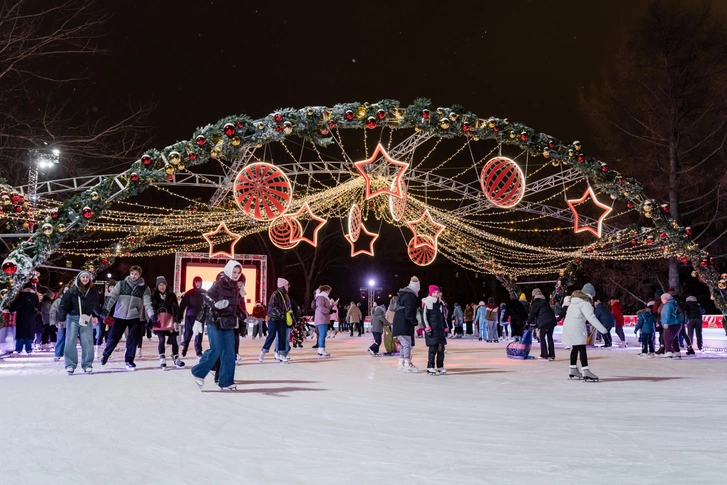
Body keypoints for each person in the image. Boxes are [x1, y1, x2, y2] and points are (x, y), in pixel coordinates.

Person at [192, 260, 244, 390]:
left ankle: (226, 381)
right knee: (216, 349)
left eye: (238, 272)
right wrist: (215, 304)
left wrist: (243, 315)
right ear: (228, 270)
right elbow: (206, 298)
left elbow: (235, 305)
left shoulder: (235, 288)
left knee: (230, 353)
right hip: (214, 321)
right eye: (234, 272)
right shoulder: (218, 284)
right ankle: (198, 372)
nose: (236, 275)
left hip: (228, 323)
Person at [100, 265, 155, 371]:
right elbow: (112, 297)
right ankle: (106, 354)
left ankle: (129, 360)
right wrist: (105, 310)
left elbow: (148, 303)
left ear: (139, 275)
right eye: (132, 273)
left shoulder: (144, 288)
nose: (133, 276)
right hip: (119, 315)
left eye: (136, 274)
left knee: (132, 339)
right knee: (113, 337)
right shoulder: (121, 284)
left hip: (134, 317)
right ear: (129, 274)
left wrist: (152, 314)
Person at [562, 283, 609, 381]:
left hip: (568, 327)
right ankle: (586, 371)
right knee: (582, 348)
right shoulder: (585, 303)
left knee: (575, 347)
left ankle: (573, 369)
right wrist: (603, 330)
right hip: (577, 327)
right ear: (590, 295)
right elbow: (591, 318)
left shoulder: (574, 302)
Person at [58, 271, 99, 374]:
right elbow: (63, 306)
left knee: (87, 341)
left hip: (86, 318)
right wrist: (61, 319)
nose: (85, 279)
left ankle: (87, 364)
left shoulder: (92, 292)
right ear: (78, 279)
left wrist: (99, 315)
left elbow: (96, 306)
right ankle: (70, 365)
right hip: (73, 318)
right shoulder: (71, 291)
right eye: (83, 277)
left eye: (87, 277)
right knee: (70, 340)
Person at [150, 276, 185, 370]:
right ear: (157, 286)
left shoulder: (171, 295)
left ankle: (176, 357)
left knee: (174, 340)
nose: (162, 286)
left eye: (163, 284)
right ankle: (162, 358)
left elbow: (176, 308)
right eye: (160, 285)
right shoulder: (154, 296)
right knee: (161, 340)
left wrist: (177, 320)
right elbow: (152, 308)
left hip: (170, 321)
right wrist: (153, 318)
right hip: (159, 322)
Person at [259, 278, 292, 363]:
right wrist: (281, 315)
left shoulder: (286, 296)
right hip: (273, 318)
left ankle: (282, 354)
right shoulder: (275, 294)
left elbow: (288, 308)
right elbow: (273, 307)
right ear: (283, 285)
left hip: (282, 319)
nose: (288, 286)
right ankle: (263, 351)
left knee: (282, 336)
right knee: (272, 335)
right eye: (286, 285)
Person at [392, 276, 421, 373]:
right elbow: (409, 312)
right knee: (407, 344)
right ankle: (407, 364)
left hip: (399, 321)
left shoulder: (404, 295)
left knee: (404, 345)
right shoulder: (410, 296)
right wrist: (415, 323)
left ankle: (401, 363)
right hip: (404, 322)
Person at [422, 285, 447, 375]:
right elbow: (424, 316)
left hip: (440, 330)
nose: (436, 294)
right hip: (432, 330)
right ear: (431, 293)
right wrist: (427, 327)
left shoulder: (440, 303)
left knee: (441, 349)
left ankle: (440, 366)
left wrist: (445, 326)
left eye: (437, 292)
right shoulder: (427, 302)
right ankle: (430, 366)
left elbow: (443, 317)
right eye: (434, 292)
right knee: (433, 349)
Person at [179, 276, 206, 358]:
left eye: (199, 283)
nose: (198, 284)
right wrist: (180, 315)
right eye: (196, 282)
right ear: (194, 283)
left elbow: (208, 305)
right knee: (188, 333)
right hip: (190, 316)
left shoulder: (205, 293)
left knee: (199, 334)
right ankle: (185, 348)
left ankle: (198, 351)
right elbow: (183, 305)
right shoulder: (189, 293)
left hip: (200, 317)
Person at [9, 282, 39, 355]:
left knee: (21, 333)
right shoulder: (35, 296)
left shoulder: (22, 296)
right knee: (29, 333)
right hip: (31, 317)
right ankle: (28, 349)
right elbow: (37, 307)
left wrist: (10, 309)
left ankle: (19, 349)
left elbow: (18, 305)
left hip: (22, 317)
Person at [527, 288, 557, 360]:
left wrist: (528, 322)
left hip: (545, 322)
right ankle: (552, 355)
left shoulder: (537, 301)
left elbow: (533, 313)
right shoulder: (544, 301)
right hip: (552, 321)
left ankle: (544, 354)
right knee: (549, 337)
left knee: (542, 337)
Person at [95, 280, 116, 359]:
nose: (112, 288)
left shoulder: (117, 296)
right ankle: (97, 350)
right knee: (101, 333)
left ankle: (107, 351)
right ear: (108, 288)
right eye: (111, 287)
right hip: (102, 316)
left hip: (112, 317)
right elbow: (96, 306)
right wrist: (99, 314)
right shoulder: (103, 296)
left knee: (110, 334)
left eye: (114, 287)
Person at [51, 283, 71, 361]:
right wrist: (54, 322)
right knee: (61, 338)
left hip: (71, 322)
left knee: (70, 339)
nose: (66, 291)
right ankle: (58, 353)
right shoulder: (58, 300)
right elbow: (53, 311)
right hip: (61, 322)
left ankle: (68, 354)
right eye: (65, 290)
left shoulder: (73, 300)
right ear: (63, 291)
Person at [659, 293, 682, 359]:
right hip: (677, 323)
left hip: (670, 324)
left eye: (662, 299)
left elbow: (667, 314)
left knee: (666, 338)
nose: (661, 301)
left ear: (665, 299)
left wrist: (666, 323)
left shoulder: (667, 305)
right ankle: (677, 352)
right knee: (674, 338)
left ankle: (668, 352)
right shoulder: (674, 304)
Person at [313, 285, 333, 357]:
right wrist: (329, 311)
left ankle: (321, 349)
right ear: (326, 290)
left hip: (324, 318)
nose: (329, 293)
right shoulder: (321, 297)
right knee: (323, 334)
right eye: (329, 291)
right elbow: (320, 307)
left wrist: (332, 307)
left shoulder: (324, 297)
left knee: (323, 334)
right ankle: (321, 349)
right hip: (321, 318)